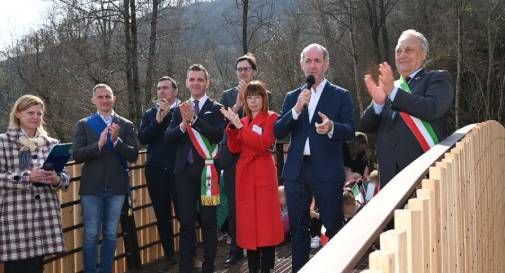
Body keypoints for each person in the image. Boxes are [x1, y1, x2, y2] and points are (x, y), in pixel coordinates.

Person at [274, 43, 355, 272]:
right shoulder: (293, 97)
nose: (312, 65)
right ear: (301, 65)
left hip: (327, 170)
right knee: (298, 229)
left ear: (326, 64)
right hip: (296, 171)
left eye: (317, 61)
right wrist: (297, 109)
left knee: (333, 225)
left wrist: (331, 127)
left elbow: (349, 129)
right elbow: (278, 131)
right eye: (308, 61)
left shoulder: (340, 95)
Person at [360, 29, 454, 186]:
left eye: (409, 50)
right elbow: (365, 126)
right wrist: (378, 103)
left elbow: (432, 109)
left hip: (425, 176)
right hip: (390, 178)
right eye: (398, 51)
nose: (402, 55)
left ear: (424, 54)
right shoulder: (390, 86)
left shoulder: (437, 78)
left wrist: (393, 92)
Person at [164, 64, 226, 273]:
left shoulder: (216, 108)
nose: (196, 83)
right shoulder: (179, 109)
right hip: (183, 173)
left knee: (209, 224)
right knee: (187, 223)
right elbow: (168, 138)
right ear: (187, 82)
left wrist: (195, 120)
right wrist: (183, 124)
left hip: (206, 173)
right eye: (192, 79)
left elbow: (217, 135)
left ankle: (209, 267)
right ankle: (185, 267)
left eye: (200, 79)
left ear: (207, 82)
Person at [72, 84, 139, 273]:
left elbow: (133, 155)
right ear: (93, 100)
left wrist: (117, 141)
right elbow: (76, 154)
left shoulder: (125, 124)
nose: (104, 100)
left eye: (107, 96)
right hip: (92, 188)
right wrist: (99, 145)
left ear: (114, 98)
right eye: (100, 97)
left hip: (117, 188)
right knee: (92, 234)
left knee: (110, 234)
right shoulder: (84, 124)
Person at [0, 95, 70, 273]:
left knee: (37, 267)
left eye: (39, 113)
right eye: (30, 113)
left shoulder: (51, 143)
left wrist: (56, 179)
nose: (35, 117)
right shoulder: (3, 142)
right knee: (15, 268)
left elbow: (65, 177)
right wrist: (27, 177)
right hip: (15, 217)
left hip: (43, 216)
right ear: (18, 114)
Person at [221, 80, 284, 273]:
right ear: (245, 100)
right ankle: (253, 268)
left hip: (263, 172)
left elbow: (263, 143)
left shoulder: (272, 118)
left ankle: (267, 268)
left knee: (265, 223)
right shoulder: (245, 121)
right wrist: (232, 127)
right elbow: (234, 147)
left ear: (264, 99)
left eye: (257, 97)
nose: (254, 101)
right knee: (249, 224)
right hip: (245, 175)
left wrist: (239, 126)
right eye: (249, 97)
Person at [219, 53, 258, 266]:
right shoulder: (226, 95)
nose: (243, 72)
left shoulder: (264, 93)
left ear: (254, 72)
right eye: (240, 69)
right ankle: (235, 249)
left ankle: (257, 246)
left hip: (254, 157)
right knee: (235, 205)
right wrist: (237, 104)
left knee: (255, 204)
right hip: (233, 158)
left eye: (246, 68)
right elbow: (224, 126)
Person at [138, 76, 180, 267]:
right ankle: (170, 256)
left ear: (175, 91)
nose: (161, 91)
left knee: (184, 213)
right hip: (155, 171)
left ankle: (190, 253)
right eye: (159, 88)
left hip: (180, 171)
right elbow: (143, 138)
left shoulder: (182, 111)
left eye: (165, 88)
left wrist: (169, 116)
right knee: (162, 215)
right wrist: (157, 120)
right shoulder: (149, 113)